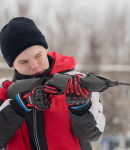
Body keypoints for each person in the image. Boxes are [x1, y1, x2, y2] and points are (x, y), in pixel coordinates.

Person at [0, 17, 105, 150]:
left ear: (45, 50)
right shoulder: (4, 90)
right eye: (23, 62)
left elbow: (92, 135)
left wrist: (81, 108)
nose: (35, 65)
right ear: (13, 65)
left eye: (38, 56)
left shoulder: (77, 81)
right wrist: (20, 105)